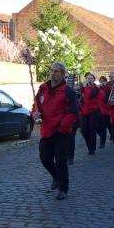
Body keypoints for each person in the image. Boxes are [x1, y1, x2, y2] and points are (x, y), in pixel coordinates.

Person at [31, 61, 79, 200]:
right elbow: (36, 106)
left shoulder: (68, 92)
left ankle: (63, 188)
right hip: (47, 130)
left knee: (60, 160)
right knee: (45, 158)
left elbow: (73, 113)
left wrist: (61, 126)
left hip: (61, 132)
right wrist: (34, 113)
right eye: (52, 70)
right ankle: (56, 177)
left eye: (56, 71)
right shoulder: (43, 89)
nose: (53, 73)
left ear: (63, 74)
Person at [79, 73, 101, 155]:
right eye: (88, 78)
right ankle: (89, 146)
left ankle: (92, 149)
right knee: (83, 131)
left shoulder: (96, 88)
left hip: (94, 112)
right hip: (84, 112)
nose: (89, 80)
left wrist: (84, 88)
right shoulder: (83, 88)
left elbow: (91, 95)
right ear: (86, 79)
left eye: (91, 78)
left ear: (94, 80)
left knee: (92, 131)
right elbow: (81, 98)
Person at [96, 76, 109, 149]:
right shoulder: (97, 88)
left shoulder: (108, 88)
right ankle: (102, 138)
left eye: (103, 81)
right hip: (98, 110)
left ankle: (102, 143)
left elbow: (106, 99)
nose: (102, 82)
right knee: (97, 127)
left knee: (104, 128)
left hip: (105, 111)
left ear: (106, 82)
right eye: (101, 81)